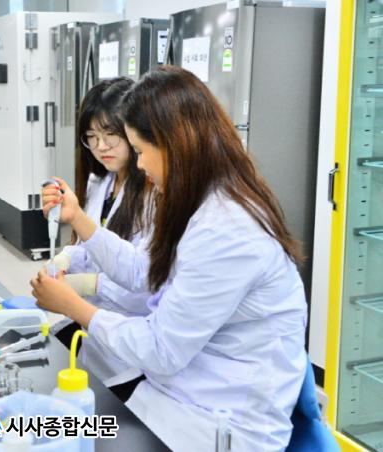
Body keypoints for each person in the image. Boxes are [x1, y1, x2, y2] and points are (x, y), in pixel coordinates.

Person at [32, 66, 307, 451]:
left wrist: (77, 308)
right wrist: (78, 221)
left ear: (174, 143)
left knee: (55, 435)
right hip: (171, 398)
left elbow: (162, 350)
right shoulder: (203, 201)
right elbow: (144, 272)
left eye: (141, 151)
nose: (139, 165)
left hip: (215, 427)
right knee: (32, 428)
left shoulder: (228, 231)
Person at [49, 77, 154, 390]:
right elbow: (94, 246)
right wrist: (66, 260)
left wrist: (86, 285)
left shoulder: (154, 194)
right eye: (91, 137)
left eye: (111, 135)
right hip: (95, 336)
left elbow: (145, 282)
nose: (101, 147)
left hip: (131, 345)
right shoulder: (103, 183)